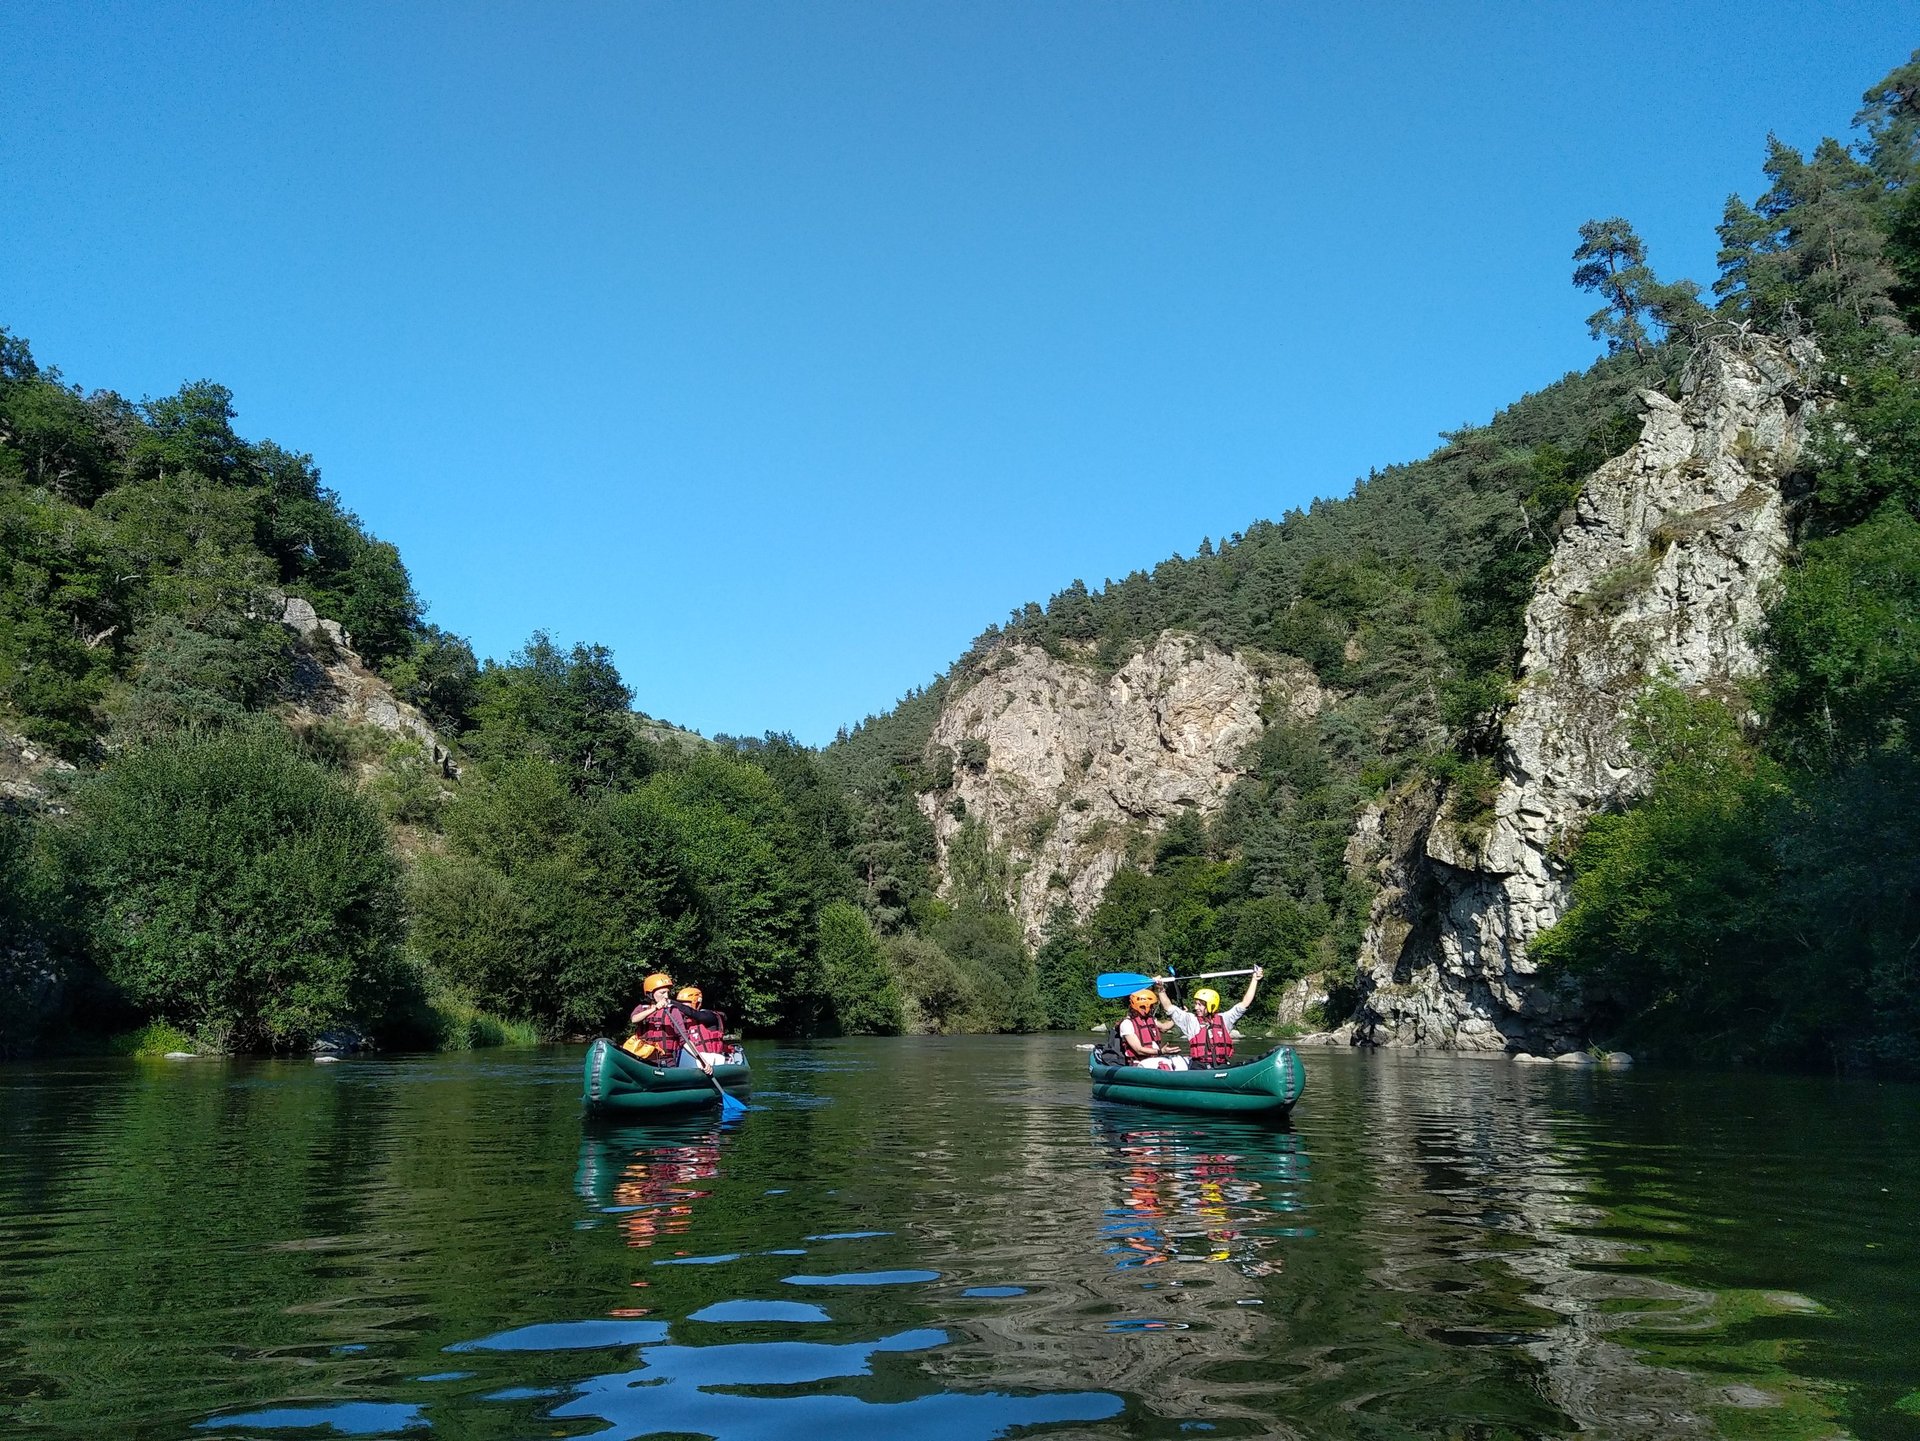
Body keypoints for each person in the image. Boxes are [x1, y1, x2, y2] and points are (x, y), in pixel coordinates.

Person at [1156, 967, 1264, 1067]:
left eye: (1200, 1005)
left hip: (1222, 1066)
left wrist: (1255, 979)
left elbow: (1244, 1003)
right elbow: (1168, 1007)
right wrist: (1160, 988)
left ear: (1211, 1005)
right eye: (1195, 1004)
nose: (1196, 1007)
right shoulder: (1191, 1021)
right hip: (1199, 1067)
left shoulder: (1224, 1019)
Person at [623, 973, 726, 1071]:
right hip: (642, 1060)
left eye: (667, 992)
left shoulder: (673, 1011)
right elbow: (634, 1019)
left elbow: (684, 1040)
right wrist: (655, 1008)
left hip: (665, 1062)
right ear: (650, 994)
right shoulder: (642, 1008)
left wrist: (702, 1061)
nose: (666, 996)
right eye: (662, 993)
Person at [1110, 988, 1188, 1071]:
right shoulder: (1127, 1024)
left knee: (1178, 1060)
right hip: (1139, 1063)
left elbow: (1164, 1027)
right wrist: (1161, 1051)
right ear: (1142, 1006)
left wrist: (1179, 1016)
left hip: (1154, 1059)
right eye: (1150, 1006)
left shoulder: (1150, 1019)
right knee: (1165, 1066)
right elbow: (1139, 1049)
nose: (1152, 1008)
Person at [675, 985, 731, 1066]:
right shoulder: (681, 1021)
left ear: (696, 1003)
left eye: (684, 1004)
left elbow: (693, 1013)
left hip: (712, 1059)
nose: (681, 1007)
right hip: (692, 1060)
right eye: (680, 1003)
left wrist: (669, 1001)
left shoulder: (709, 1016)